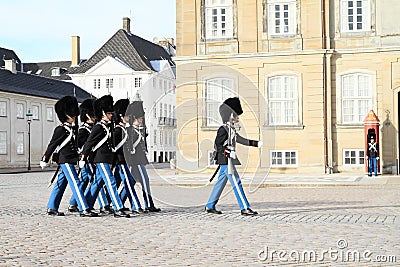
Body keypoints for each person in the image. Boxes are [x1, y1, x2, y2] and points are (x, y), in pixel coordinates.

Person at [40, 96, 97, 217]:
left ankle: (52, 207)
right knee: (75, 183)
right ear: (66, 114)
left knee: (60, 183)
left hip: (71, 159)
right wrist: (45, 158)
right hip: (65, 159)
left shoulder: (73, 129)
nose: (75, 116)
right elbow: (52, 144)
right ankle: (83, 208)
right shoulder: (60, 129)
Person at [205, 97, 262, 216]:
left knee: (220, 182)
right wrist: (226, 152)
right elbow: (218, 144)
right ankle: (244, 207)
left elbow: (240, 139)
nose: (237, 117)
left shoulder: (230, 129)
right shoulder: (223, 129)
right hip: (226, 160)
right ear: (231, 114)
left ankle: (210, 205)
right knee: (237, 182)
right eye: (236, 115)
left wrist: (255, 143)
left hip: (228, 159)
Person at [79, 95, 130, 218]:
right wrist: (83, 157)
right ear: (103, 113)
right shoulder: (98, 127)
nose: (112, 115)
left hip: (107, 159)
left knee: (97, 183)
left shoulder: (108, 126)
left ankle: (87, 205)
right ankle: (118, 208)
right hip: (101, 159)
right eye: (109, 113)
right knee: (111, 181)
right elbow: (89, 143)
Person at [97, 99, 144, 214]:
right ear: (121, 116)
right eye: (127, 116)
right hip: (120, 160)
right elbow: (115, 147)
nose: (129, 117)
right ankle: (135, 205)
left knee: (127, 181)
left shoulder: (124, 129)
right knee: (127, 181)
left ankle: (112, 203)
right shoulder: (118, 130)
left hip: (125, 160)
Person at [125, 101, 161, 212]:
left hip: (139, 159)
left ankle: (120, 202)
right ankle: (148, 204)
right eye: (140, 118)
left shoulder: (137, 130)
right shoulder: (130, 131)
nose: (141, 119)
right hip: (135, 160)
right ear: (135, 117)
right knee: (144, 181)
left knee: (131, 182)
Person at [68, 98, 96, 213]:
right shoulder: (83, 130)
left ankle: (73, 203)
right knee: (94, 179)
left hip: (91, 159)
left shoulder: (92, 128)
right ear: (88, 115)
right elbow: (80, 146)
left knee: (84, 180)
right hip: (87, 159)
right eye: (93, 115)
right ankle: (86, 203)